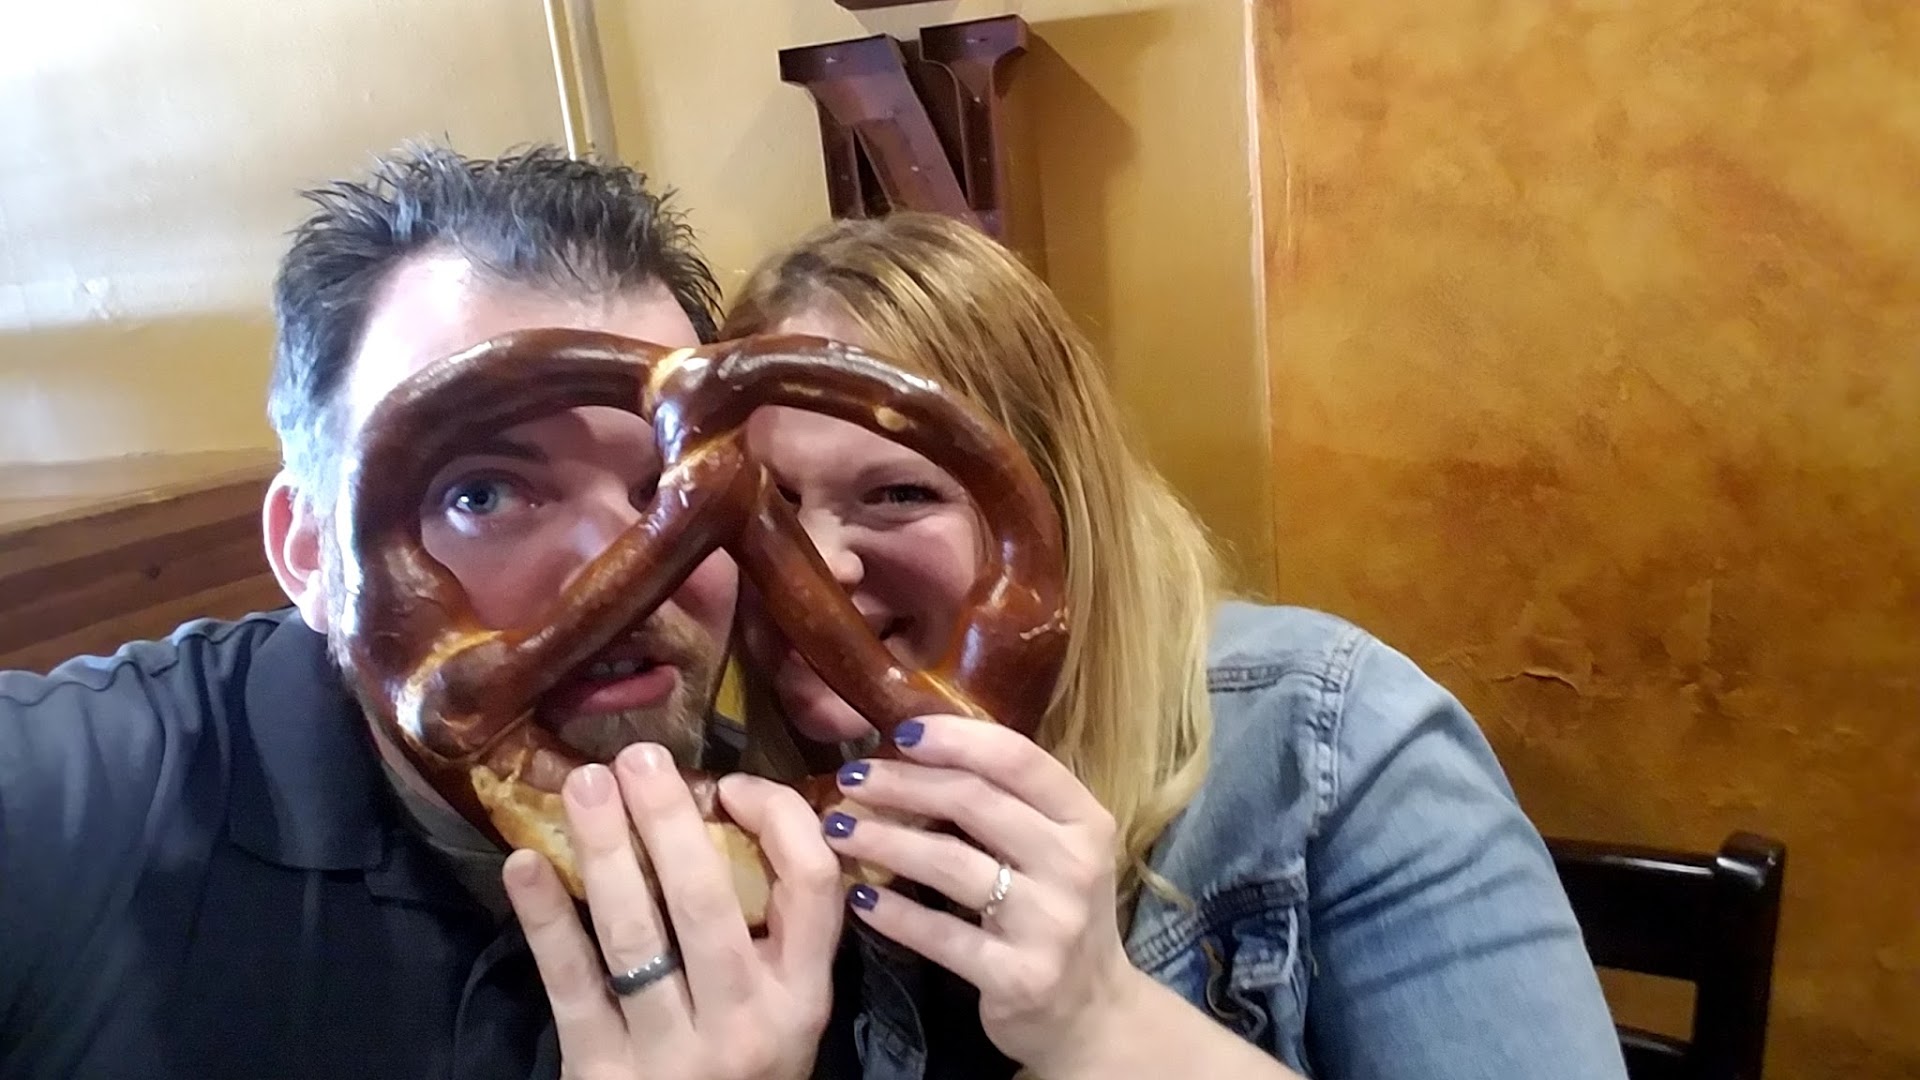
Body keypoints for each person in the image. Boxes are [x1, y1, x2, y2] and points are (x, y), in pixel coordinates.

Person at [715, 211, 1633, 1079]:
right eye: (767, 503)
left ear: (1057, 512)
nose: (818, 567)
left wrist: (1103, 1023)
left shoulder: (1334, 747)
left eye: (898, 494)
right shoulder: (729, 820)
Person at [0, 145, 846, 1080]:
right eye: (483, 493)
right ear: (310, 553)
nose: (635, 571)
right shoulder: (68, 807)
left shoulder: (800, 857)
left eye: (667, 489)